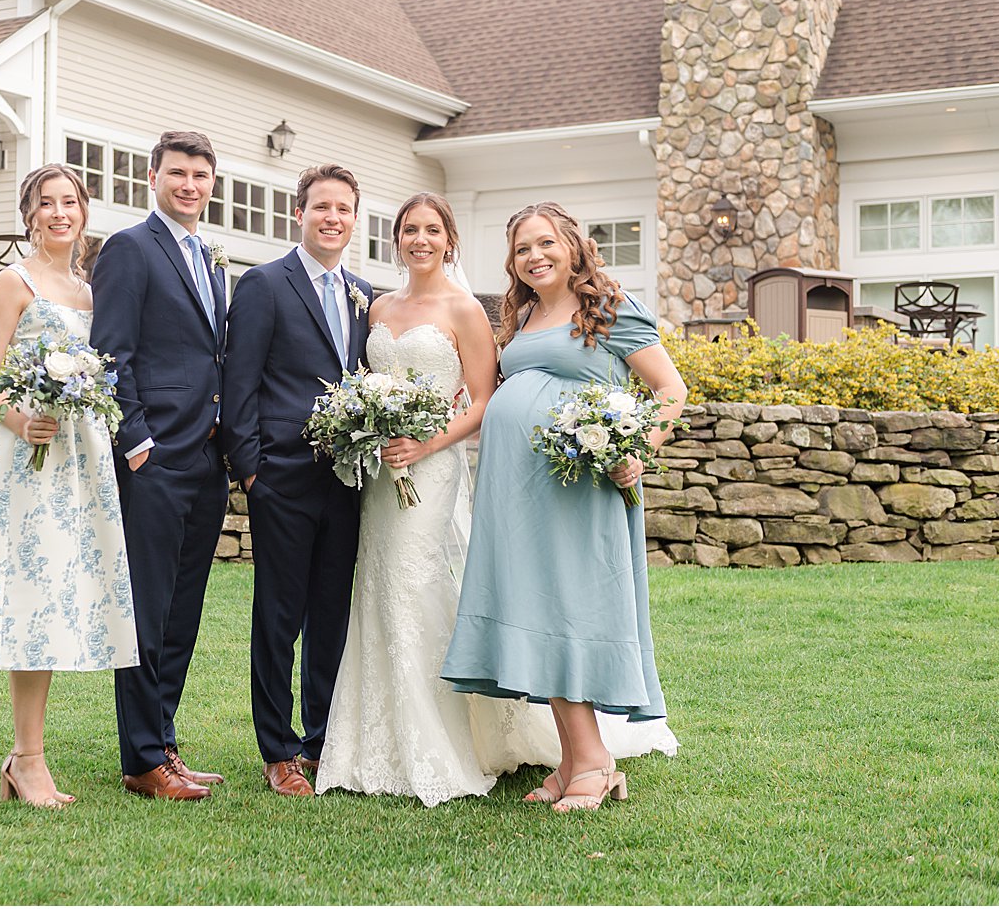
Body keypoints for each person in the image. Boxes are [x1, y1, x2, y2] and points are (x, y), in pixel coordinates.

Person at [315, 193, 561, 807]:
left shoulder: (465, 310)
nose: (419, 239)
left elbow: (481, 402)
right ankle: (374, 739)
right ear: (396, 240)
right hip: (378, 472)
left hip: (432, 467)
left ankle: (445, 738)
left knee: (415, 582)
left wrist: (425, 443)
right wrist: (367, 426)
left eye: (431, 230)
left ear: (449, 239)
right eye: (408, 230)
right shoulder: (378, 306)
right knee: (376, 588)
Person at [441, 201, 686, 812]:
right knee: (536, 607)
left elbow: (669, 390)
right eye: (523, 248)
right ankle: (576, 759)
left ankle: (596, 762)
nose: (535, 256)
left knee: (568, 610)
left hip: (579, 489)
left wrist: (637, 448)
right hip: (517, 494)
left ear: (572, 246)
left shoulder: (609, 309)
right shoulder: (520, 315)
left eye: (545, 243)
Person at [0, 164, 138, 809]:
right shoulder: (15, 282)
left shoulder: (91, 291)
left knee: (64, 602)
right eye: (46, 204)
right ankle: (28, 760)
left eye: (70, 202)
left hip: (84, 465)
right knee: (34, 603)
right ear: (29, 214)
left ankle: (23, 757)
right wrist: (17, 416)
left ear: (84, 211)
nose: (59, 213)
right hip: (30, 462)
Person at [222, 163, 373, 797]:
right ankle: (277, 750)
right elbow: (240, 386)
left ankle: (321, 741)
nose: (331, 218)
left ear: (354, 220)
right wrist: (253, 471)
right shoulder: (264, 285)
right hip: (281, 478)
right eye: (320, 208)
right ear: (300, 215)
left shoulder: (367, 293)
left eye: (343, 209)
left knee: (331, 617)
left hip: (349, 483)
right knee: (279, 616)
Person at [90, 131, 229, 801]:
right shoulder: (128, 249)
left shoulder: (208, 256)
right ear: (153, 177)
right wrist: (136, 442)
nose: (191, 185)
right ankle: (142, 758)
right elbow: (110, 352)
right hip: (154, 459)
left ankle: (165, 746)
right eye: (179, 172)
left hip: (206, 457)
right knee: (146, 610)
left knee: (182, 610)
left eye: (201, 175)